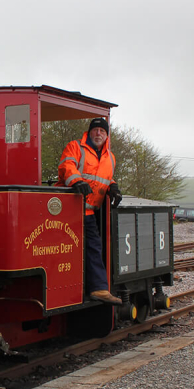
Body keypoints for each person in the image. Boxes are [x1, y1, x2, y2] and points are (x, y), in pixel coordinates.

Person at [57, 117, 124, 305]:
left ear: (107, 135)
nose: (98, 134)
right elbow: (67, 167)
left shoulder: (110, 157)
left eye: (102, 131)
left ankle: (98, 289)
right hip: (67, 209)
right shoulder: (75, 147)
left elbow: (104, 178)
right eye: (95, 130)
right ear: (89, 132)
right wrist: (77, 181)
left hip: (87, 212)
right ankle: (67, 288)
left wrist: (113, 187)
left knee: (94, 248)